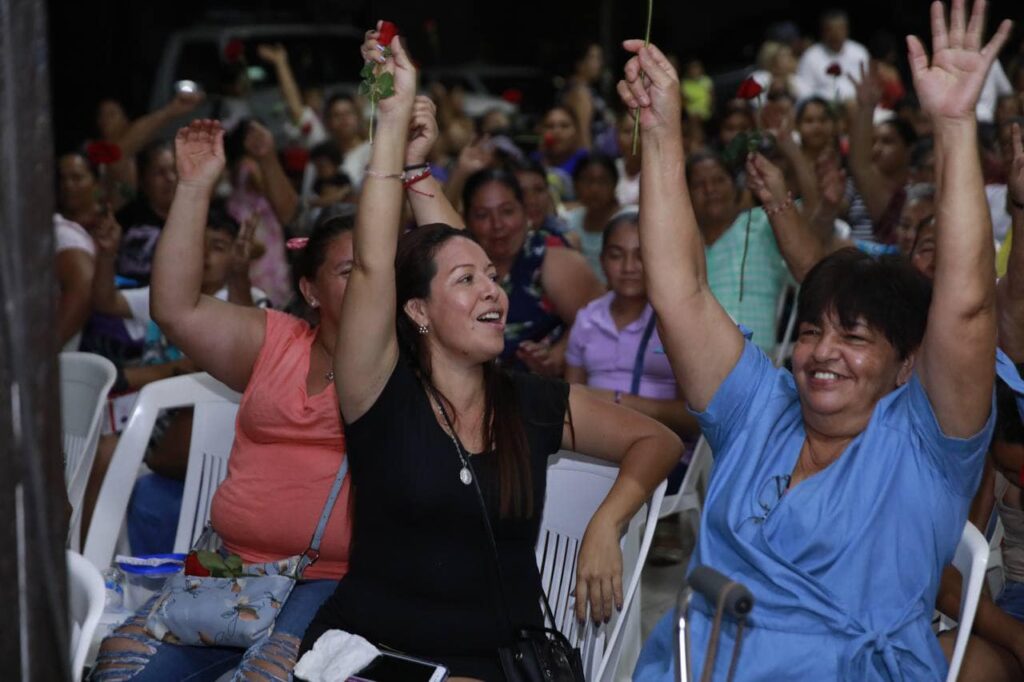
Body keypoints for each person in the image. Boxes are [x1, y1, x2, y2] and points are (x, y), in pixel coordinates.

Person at [620, 0, 1010, 677]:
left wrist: (952, 128)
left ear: (904, 365)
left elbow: (970, 309)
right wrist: (660, 134)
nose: (822, 352)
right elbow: (680, 291)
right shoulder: (760, 409)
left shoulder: (925, 445)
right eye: (808, 332)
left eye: (853, 337)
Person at [298, 27, 681, 681]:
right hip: (375, 658)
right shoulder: (378, 395)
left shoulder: (528, 402)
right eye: (465, 281)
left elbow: (658, 443)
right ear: (416, 311)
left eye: (492, 277)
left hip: (500, 665)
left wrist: (607, 522)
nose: (492, 291)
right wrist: (391, 123)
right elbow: (370, 268)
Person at [91, 121, 356, 682]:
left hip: (328, 577)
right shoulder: (278, 339)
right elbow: (176, 308)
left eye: (380, 273)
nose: (370, 285)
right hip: (226, 564)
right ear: (310, 290)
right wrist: (194, 187)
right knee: (121, 669)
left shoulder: (404, 365)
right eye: (351, 271)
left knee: (265, 678)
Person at [462, 167, 604, 376]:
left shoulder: (555, 260)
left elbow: (602, 323)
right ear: (466, 220)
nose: (497, 225)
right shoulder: (458, 267)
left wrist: (556, 356)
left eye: (507, 211)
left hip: (548, 393)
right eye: (482, 215)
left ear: (524, 211)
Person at [563, 153, 622, 281]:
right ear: (575, 185)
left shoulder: (631, 220)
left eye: (602, 181)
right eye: (587, 181)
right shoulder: (569, 222)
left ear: (615, 184)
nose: (594, 189)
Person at [796, 9, 870, 101]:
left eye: (839, 29)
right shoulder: (810, 56)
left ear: (847, 30)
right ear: (823, 32)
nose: (835, 35)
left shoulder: (859, 52)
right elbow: (804, 90)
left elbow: (867, 85)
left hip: (857, 103)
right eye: (830, 30)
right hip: (824, 106)